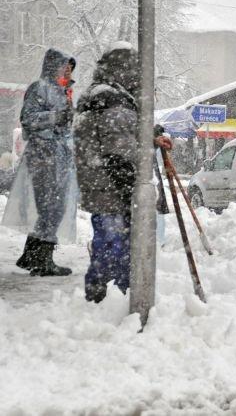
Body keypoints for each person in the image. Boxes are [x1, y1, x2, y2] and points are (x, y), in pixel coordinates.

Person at [74, 42, 172, 303]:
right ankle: (117, 297)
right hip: (112, 186)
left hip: (99, 183)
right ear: (124, 70)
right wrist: (133, 187)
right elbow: (119, 147)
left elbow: (121, 133)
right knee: (118, 245)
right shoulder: (113, 98)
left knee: (107, 241)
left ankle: (99, 293)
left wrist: (152, 135)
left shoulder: (101, 95)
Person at [7, 48, 77, 276]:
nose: (68, 69)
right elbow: (28, 119)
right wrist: (56, 117)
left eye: (70, 66)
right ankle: (42, 260)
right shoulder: (40, 88)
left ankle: (32, 256)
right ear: (54, 65)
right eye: (65, 65)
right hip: (43, 157)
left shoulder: (63, 91)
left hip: (59, 158)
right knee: (51, 208)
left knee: (53, 208)